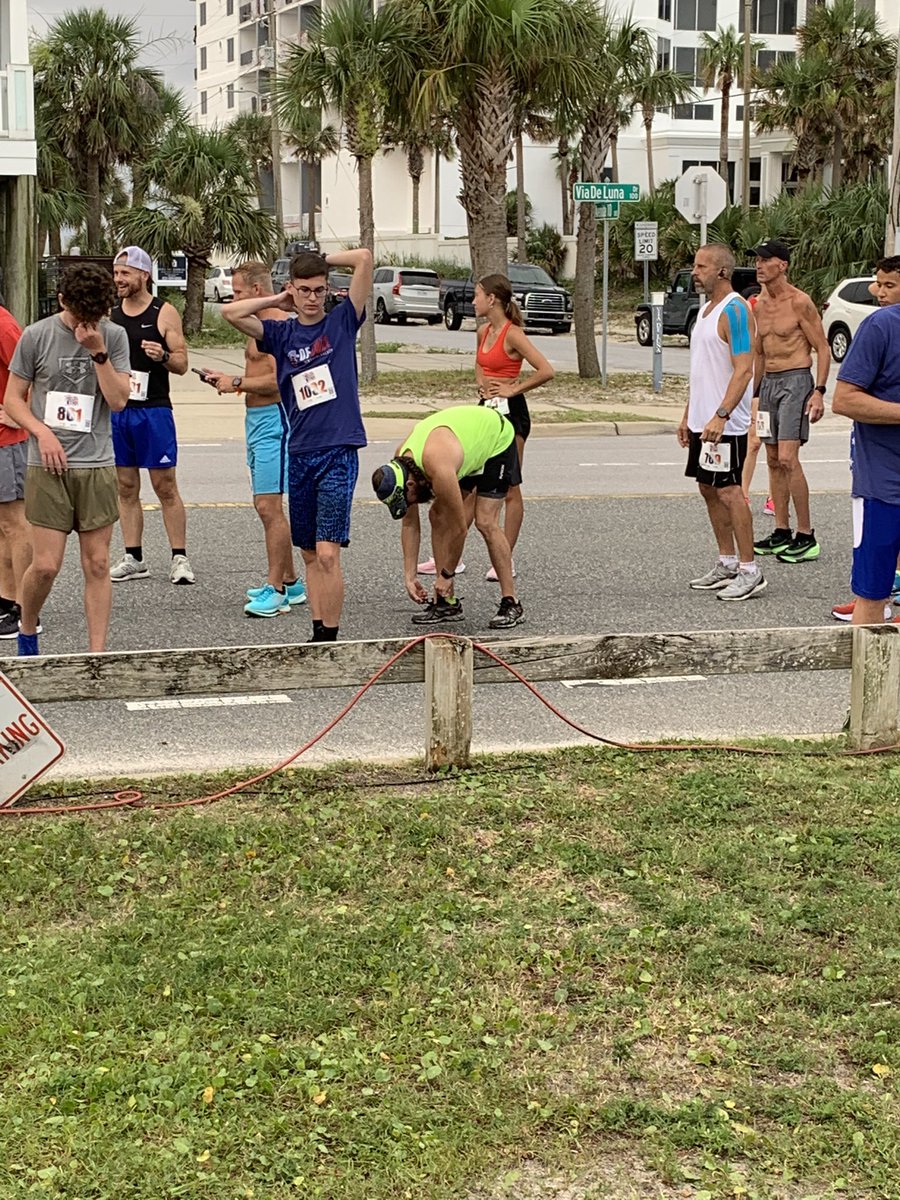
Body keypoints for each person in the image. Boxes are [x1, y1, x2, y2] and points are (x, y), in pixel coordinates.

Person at [223, 247, 372, 642]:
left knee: (327, 552)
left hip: (338, 449)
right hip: (300, 451)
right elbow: (230, 314)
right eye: (303, 290)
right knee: (308, 552)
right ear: (292, 289)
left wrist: (320, 256)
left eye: (319, 290)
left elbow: (365, 259)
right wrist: (275, 300)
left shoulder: (341, 323)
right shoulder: (282, 333)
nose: (311, 297)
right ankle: (317, 631)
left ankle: (331, 638)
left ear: (327, 291)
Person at [3, 262, 131, 654]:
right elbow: (12, 399)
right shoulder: (36, 335)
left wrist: (98, 353)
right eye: (79, 315)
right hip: (48, 465)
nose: (85, 323)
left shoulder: (113, 336)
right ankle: (27, 629)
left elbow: (119, 400)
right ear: (62, 302)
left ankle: (97, 655)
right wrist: (41, 433)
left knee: (97, 563)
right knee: (45, 565)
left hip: (95, 462)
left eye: (93, 316)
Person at [417, 274, 554, 582]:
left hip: (512, 415)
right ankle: (453, 557)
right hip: (485, 413)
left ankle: (506, 558)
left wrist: (512, 389)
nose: (473, 300)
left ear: (492, 299)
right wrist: (482, 384)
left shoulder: (512, 333)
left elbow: (546, 370)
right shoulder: (482, 332)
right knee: (469, 483)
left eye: (477, 295)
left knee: (510, 488)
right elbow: (480, 365)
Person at [198, 261, 305, 618]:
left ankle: (276, 591)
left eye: (240, 291)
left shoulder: (277, 326)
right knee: (266, 506)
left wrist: (238, 383)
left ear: (258, 290)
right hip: (256, 419)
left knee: (268, 506)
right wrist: (229, 378)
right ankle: (291, 581)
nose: (233, 297)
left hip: (275, 420)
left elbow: (279, 381)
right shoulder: (255, 322)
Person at [372, 405, 524, 628]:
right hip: (464, 445)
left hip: (496, 439)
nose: (411, 504)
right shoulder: (401, 463)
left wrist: (446, 574)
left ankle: (511, 602)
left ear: (411, 484)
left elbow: (459, 528)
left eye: (408, 499)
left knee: (485, 520)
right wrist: (409, 575)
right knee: (437, 515)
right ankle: (446, 602)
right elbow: (409, 525)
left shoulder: (439, 468)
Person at [677, 243, 765, 602]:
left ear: (722, 272)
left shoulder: (737, 311)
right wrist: (688, 415)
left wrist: (722, 414)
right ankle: (726, 561)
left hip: (725, 422)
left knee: (730, 492)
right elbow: (702, 371)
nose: (694, 272)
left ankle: (750, 569)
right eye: (695, 264)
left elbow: (744, 369)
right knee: (708, 489)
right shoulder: (705, 312)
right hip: (703, 420)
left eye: (701, 266)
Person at [108, 246, 194, 585]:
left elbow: (182, 363)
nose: (119, 279)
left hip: (154, 409)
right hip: (120, 410)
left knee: (165, 485)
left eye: (125, 273)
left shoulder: (164, 312)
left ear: (144, 275)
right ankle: (134, 557)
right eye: (116, 273)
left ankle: (179, 558)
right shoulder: (111, 315)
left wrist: (161, 356)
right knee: (126, 486)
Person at [750, 239, 830, 563]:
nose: (758, 265)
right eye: (756, 260)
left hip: (796, 381)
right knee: (771, 458)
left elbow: (823, 348)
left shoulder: (800, 302)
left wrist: (820, 391)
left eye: (765, 260)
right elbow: (758, 352)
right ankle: (781, 531)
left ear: (781, 265)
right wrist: (754, 395)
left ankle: (807, 535)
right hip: (769, 383)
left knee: (788, 458)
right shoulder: (757, 304)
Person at [832, 255, 900, 626]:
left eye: (888, 285)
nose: (876, 291)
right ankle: (868, 683)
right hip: (884, 487)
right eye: (879, 283)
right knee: (873, 597)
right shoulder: (881, 326)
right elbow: (845, 400)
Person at [0, 293, 32, 639]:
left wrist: (16, 412)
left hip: (7, 441)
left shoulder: (4, 325)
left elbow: (31, 374)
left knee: (15, 523)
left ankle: (26, 608)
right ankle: (5, 599)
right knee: (1, 526)